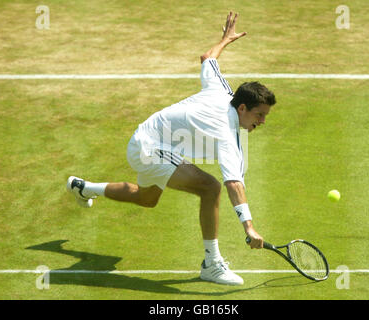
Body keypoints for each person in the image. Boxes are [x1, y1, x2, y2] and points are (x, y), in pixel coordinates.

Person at [66, 12, 276, 286]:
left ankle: (84, 188)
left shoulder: (222, 91)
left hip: (149, 139)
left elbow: (207, 59)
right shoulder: (226, 132)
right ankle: (211, 265)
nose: (261, 122)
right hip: (150, 147)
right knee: (210, 187)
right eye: (259, 115)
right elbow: (233, 184)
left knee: (146, 198)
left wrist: (224, 40)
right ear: (243, 108)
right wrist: (248, 226)